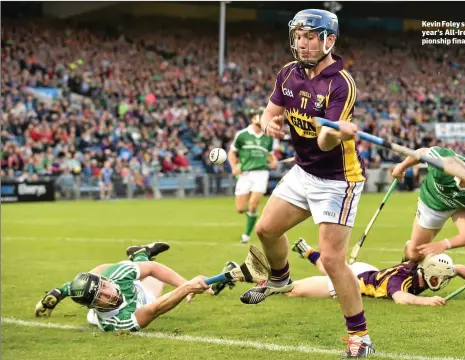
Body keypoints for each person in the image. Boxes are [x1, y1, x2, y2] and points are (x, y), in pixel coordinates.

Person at [239, 9, 374, 358]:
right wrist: (270, 124)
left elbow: (324, 143)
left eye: (310, 36)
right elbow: (270, 111)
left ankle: (360, 336)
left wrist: (332, 132)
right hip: (303, 172)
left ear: (328, 40)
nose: (302, 42)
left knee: (331, 260)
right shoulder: (288, 73)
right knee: (266, 230)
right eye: (298, 35)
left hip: (337, 181)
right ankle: (280, 278)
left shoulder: (341, 84)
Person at [392, 145, 465, 305]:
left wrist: (444, 244)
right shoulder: (444, 163)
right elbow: (421, 152)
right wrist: (401, 167)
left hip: (462, 206)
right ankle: (409, 248)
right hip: (433, 204)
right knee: (415, 254)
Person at [34, 242, 213, 331]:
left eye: (104, 287)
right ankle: (142, 253)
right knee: (157, 285)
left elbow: (153, 268)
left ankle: (140, 255)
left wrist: (184, 283)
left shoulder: (113, 277)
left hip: (126, 283)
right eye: (100, 297)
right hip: (144, 299)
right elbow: (154, 310)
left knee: (101, 269)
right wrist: (186, 288)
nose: (109, 294)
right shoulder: (116, 322)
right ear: (94, 307)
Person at [285, 238, 465, 304]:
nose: (441, 281)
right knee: (293, 291)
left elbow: (459, 268)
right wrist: (427, 302)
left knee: (331, 268)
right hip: (356, 281)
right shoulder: (400, 282)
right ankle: (266, 281)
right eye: (438, 279)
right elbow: (401, 299)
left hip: (370, 271)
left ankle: (308, 252)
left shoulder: (427, 270)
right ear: (430, 273)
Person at [228, 107, 279, 244]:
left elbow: (270, 156)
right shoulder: (242, 135)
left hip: (261, 174)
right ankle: (252, 216)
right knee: (240, 208)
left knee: (253, 204)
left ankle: (246, 235)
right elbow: (232, 153)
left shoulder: (268, 138)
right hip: (245, 174)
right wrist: (234, 167)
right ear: (252, 118)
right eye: (259, 116)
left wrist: (273, 162)